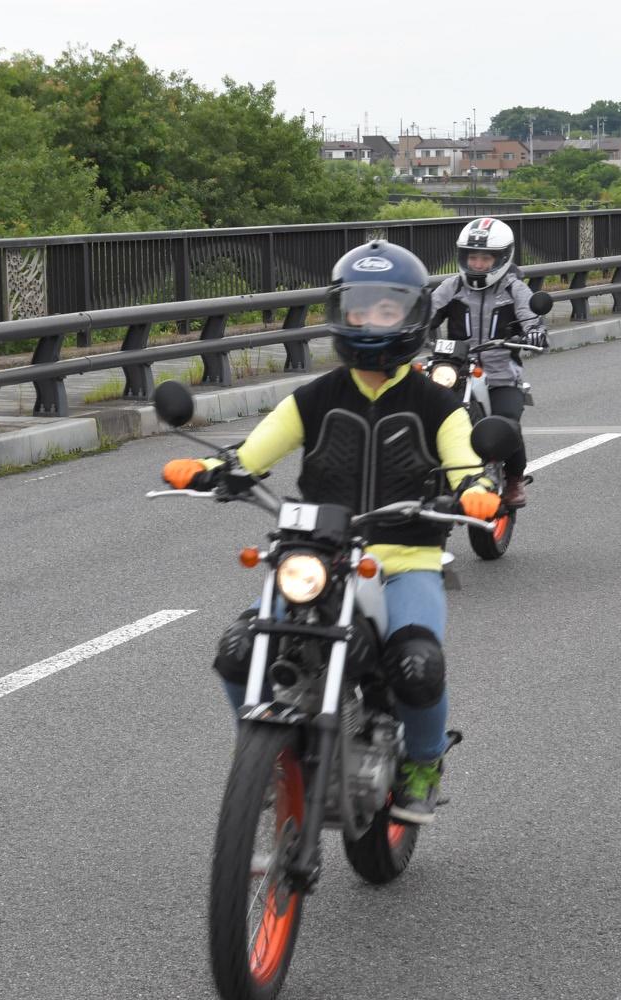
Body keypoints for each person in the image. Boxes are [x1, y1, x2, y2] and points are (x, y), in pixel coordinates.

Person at [161, 240, 500, 824]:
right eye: (359, 309)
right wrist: (213, 471)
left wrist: (475, 490)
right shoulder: (314, 399)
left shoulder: (437, 405)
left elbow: (466, 462)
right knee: (239, 651)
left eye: (387, 311)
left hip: (404, 556)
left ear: (412, 315)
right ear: (340, 313)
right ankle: (263, 758)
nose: (371, 322)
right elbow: (252, 454)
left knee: (417, 664)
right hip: (317, 552)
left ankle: (422, 762)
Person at [428, 217, 549, 508]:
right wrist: (406, 327)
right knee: (423, 413)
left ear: (502, 257)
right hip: (454, 371)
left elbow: (532, 317)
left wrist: (535, 332)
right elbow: (426, 312)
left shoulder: (514, 289)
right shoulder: (452, 286)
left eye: (485, 258)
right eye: (473, 256)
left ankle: (514, 479)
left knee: (506, 422)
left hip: (500, 376)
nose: (478, 264)